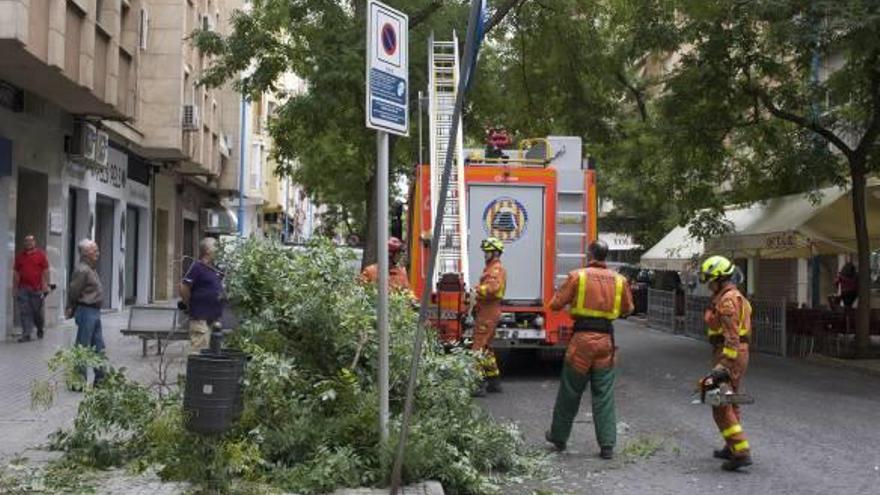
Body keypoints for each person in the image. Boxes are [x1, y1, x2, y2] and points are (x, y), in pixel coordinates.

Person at [544, 240, 633, 460]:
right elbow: (629, 308)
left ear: (590, 254)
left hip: (582, 342)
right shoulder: (620, 280)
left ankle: (559, 436)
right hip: (606, 342)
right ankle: (607, 445)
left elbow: (555, 305)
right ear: (605, 255)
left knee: (570, 391)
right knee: (604, 394)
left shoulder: (578, 276)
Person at [699, 255, 753, 471]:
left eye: (710, 280)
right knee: (730, 401)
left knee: (719, 402)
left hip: (729, 353)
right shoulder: (732, 296)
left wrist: (724, 364)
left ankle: (741, 452)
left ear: (720, 278)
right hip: (733, 353)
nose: (708, 284)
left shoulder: (727, 300)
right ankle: (731, 446)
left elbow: (732, 336)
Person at [65, 239, 105, 389]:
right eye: (95, 251)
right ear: (85, 254)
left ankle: (101, 379)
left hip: (94, 311)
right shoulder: (82, 270)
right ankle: (77, 380)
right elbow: (74, 291)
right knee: (83, 346)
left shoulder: (90, 268)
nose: (98, 254)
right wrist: (70, 307)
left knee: (98, 346)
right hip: (86, 310)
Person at [471, 237, 507, 396]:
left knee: (478, 348)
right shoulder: (491, 268)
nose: (485, 254)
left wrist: (476, 290)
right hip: (487, 310)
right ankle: (494, 382)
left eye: (488, 252)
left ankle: (477, 384)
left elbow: (492, 288)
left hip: (488, 311)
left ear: (495, 253)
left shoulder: (495, 269)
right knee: (486, 349)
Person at [180, 237, 224, 352]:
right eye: (216, 247)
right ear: (208, 250)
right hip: (200, 317)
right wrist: (188, 303)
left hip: (214, 317)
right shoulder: (197, 267)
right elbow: (184, 286)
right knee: (199, 351)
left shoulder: (215, 268)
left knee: (214, 351)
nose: (219, 251)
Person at [13, 235, 50, 342]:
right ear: (24, 243)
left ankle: (39, 328)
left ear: (35, 242)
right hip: (23, 288)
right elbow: (16, 273)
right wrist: (15, 288)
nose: (29, 243)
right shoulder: (20, 257)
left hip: (37, 288)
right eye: (26, 241)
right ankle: (26, 334)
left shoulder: (41, 255)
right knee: (24, 311)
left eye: (31, 241)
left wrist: (46, 284)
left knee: (36, 311)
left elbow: (46, 271)